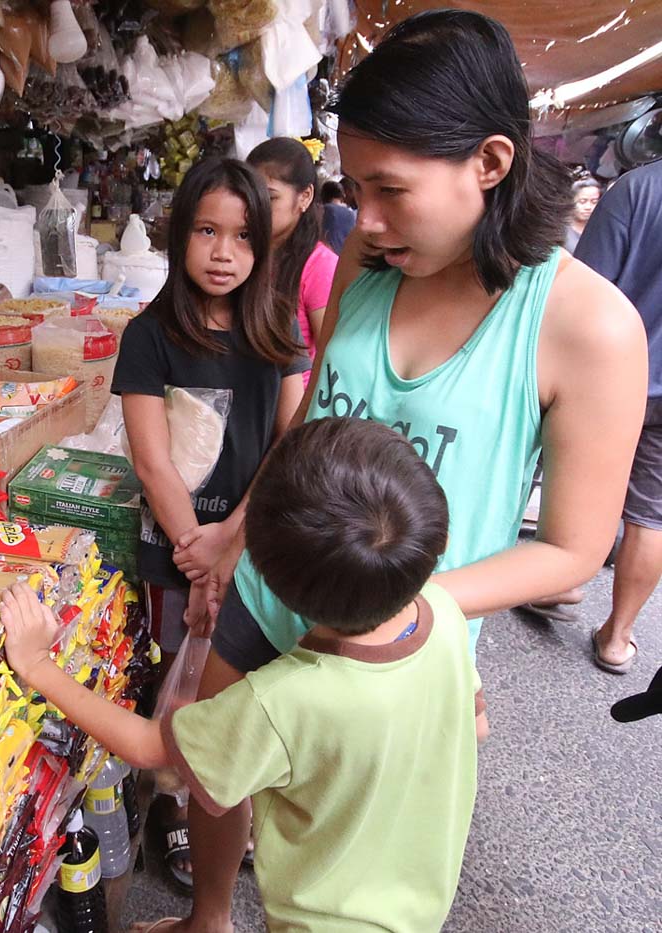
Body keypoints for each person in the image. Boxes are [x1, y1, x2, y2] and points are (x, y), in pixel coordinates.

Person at [179, 11, 646, 932]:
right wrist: (241, 527)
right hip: (280, 583)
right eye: (355, 188)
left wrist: (417, 617)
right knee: (213, 766)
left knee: (352, 843)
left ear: (492, 162)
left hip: (400, 638)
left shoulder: (586, 325)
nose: (367, 219)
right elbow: (321, 413)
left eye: (390, 190)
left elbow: (573, 549)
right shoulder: (369, 253)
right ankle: (208, 916)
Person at [0, 417, 480, 933]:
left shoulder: (281, 701)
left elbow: (144, 746)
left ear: (266, 582)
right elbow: (475, 724)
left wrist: (38, 665)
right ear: (440, 542)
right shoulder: (445, 614)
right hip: (420, 905)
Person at [108, 157, 308, 889]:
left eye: (243, 236)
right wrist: (198, 553)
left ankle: (228, 796)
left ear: (265, 246)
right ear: (178, 235)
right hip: (174, 548)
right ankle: (168, 797)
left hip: (252, 549)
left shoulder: (278, 329)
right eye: (205, 231)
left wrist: (234, 543)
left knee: (240, 672)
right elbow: (156, 463)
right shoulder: (148, 336)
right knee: (174, 672)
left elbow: (291, 439)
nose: (223, 252)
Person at [575, 157, 662, 674]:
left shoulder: (637, 189)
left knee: (581, 477)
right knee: (651, 515)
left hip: (611, 374)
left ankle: (558, 580)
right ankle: (617, 637)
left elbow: (585, 286)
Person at [248, 137, 339, 380]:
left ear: (305, 196)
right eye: (249, 195)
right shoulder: (244, 255)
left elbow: (331, 359)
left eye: (270, 197)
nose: (255, 206)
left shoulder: (320, 265)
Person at [320, 179, 357, 253]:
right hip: (342, 258)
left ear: (323, 196)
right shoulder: (350, 215)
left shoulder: (319, 211)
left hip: (322, 256)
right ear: (342, 196)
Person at [565, 177, 601, 253]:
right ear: (571, 201)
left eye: (594, 202)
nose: (588, 207)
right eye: (582, 202)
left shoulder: (603, 227)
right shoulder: (560, 230)